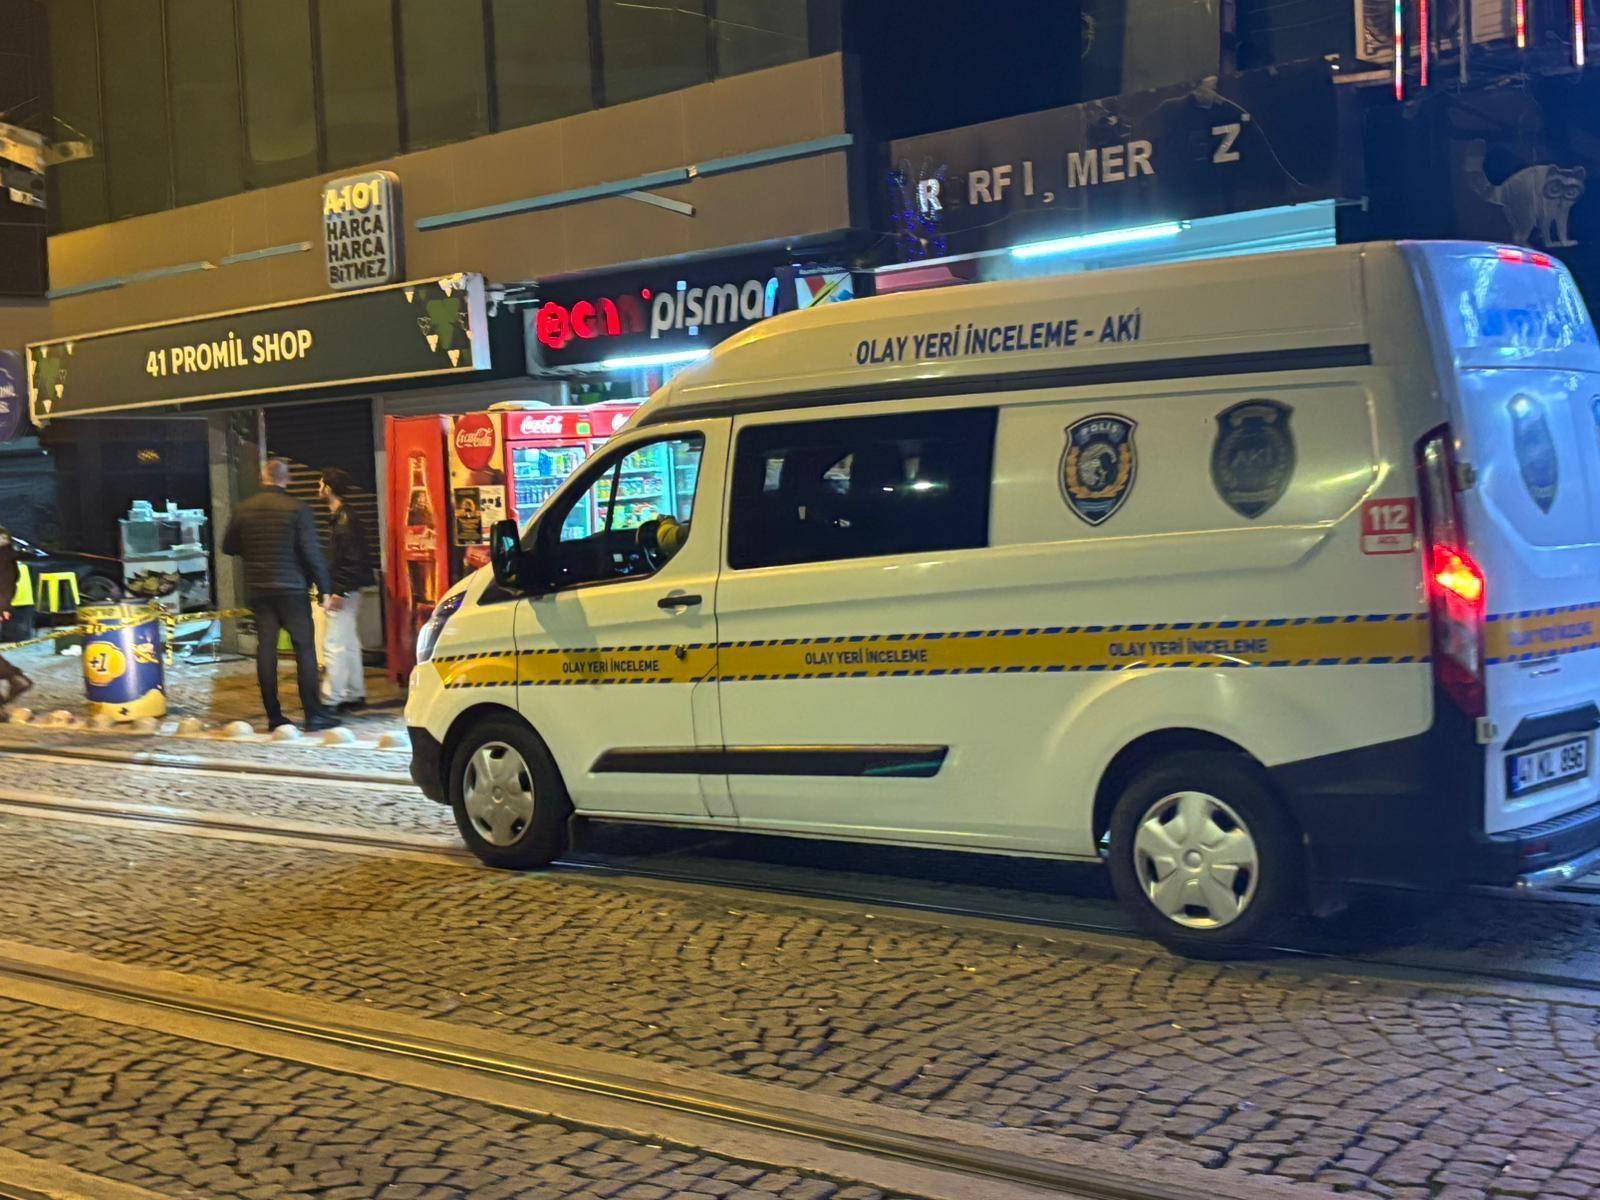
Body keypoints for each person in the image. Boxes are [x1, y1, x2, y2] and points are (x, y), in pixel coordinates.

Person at [222, 459, 341, 732]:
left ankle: (274, 716)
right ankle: (313, 714)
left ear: (263, 477)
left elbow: (228, 546)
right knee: (305, 650)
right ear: (286, 479)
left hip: (260, 588)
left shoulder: (244, 509)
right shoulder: (297, 509)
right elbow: (311, 552)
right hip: (292, 588)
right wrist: (324, 588)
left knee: (266, 650)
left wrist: (253, 551)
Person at [317, 468, 373, 712]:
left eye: (320, 484)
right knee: (348, 642)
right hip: (349, 588)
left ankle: (332, 697)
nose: (318, 489)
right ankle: (354, 693)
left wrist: (340, 591)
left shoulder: (344, 520)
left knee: (335, 644)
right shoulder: (344, 517)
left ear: (328, 488)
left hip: (342, 590)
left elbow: (350, 560)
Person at [0, 527, 32, 709]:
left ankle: (15, 678)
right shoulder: (5, 547)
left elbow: (6, 577)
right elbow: (11, 577)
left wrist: (3, 605)